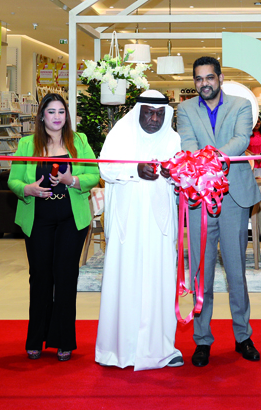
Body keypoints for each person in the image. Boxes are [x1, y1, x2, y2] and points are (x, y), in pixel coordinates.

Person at [176, 57, 260, 367]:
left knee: (236, 272)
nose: (204, 84)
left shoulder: (241, 105)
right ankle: (202, 340)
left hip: (233, 196)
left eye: (209, 77)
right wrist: (206, 162)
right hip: (199, 198)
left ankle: (243, 336)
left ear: (220, 78)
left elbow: (241, 140)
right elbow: (187, 144)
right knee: (202, 273)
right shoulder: (185, 109)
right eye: (199, 79)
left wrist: (207, 159)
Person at [95, 90, 184, 370]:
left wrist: (173, 174)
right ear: (139, 112)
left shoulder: (172, 139)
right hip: (129, 223)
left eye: (160, 114)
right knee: (127, 279)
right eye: (149, 113)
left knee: (159, 281)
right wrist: (135, 169)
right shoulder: (120, 133)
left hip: (159, 225)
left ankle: (161, 348)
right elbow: (105, 168)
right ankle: (120, 349)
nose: (155, 119)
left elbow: (181, 176)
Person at [8, 92, 98, 362]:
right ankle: (36, 338)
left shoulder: (79, 141)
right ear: (41, 116)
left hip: (72, 219)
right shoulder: (26, 144)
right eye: (51, 112)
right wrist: (28, 189)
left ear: (66, 116)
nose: (57, 117)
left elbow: (94, 174)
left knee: (66, 277)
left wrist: (72, 181)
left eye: (61, 112)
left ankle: (64, 340)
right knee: (40, 277)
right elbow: (13, 180)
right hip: (38, 220)